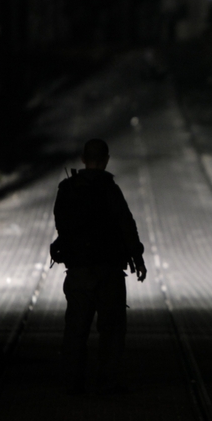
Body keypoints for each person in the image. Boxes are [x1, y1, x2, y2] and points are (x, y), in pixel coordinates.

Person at [53, 138, 147, 395]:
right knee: (112, 329)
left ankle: (73, 383)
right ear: (106, 160)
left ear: (83, 159)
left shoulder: (67, 188)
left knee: (75, 329)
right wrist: (138, 260)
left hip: (79, 271)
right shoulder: (110, 189)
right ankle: (107, 382)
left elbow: (60, 225)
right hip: (109, 272)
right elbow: (127, 226)